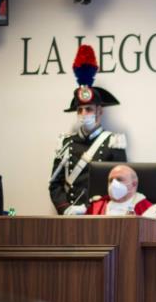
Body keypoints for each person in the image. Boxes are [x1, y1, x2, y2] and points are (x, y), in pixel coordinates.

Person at [49, 45, 127, 215]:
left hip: (101, 216)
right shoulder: (65, 143)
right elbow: (55, 184)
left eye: (89, 109)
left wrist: (94, 208)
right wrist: (65, 208)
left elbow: (122, 184)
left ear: (100, 111)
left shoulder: (114, 142)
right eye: (80, 110)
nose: (84, 114)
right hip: (70, 217)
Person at [86, 164, 156, 219]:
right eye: (111, 180)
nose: (114, 184)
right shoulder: (96, 207)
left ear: (134, 184)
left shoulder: (150, 212)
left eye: (119, 179)